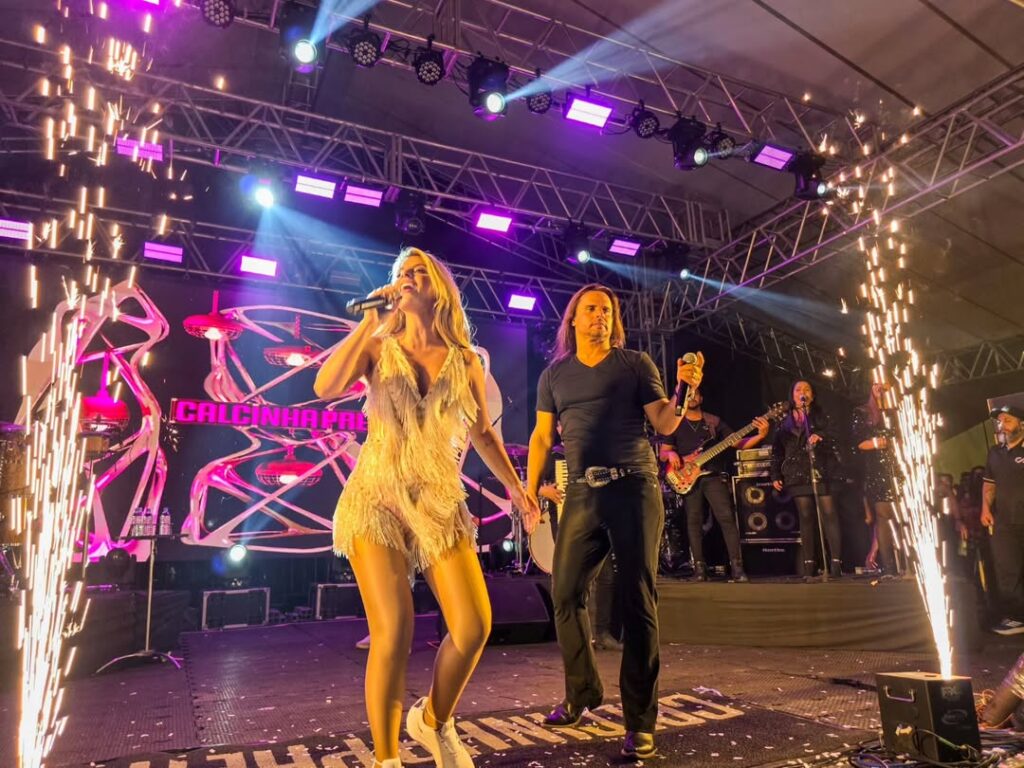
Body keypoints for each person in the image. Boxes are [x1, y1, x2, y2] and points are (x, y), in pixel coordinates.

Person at [314, 247, 541, 768]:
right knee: (393, 630)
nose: (411, 279)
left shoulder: (463, 359)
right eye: (402, 274)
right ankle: (387, 760)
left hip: (437, 497)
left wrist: (517, 489)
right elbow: (325, 387)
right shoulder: (378, 344)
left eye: (422, 272)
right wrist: (372, 320)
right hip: (377, 496)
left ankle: (434, 720)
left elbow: (483, 433)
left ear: (441, 287)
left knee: (474, 626)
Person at [525, 283, 703, 760]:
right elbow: (542, 438)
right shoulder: (554, 375)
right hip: (581, 491)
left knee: (637, 601)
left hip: (634, 487)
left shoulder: (635, 365)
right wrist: (528, 488)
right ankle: (582, 692)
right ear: (574, 320)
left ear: (612, 320)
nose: (600, 315)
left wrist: (684, 388)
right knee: (564, 594)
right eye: (591, 309)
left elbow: (665, 424)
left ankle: (640, 722)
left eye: (607, 309)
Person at [658, 388, 769, 582]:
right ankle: (699, 570)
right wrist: (672, 454)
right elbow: (663, 453)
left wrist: (760, 435)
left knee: (726, 517)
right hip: (688, 478)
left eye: (695, 394)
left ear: (701, 397)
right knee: (693, 521)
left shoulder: (713, 422)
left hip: (713, 476)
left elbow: (737, 443)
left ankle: (737, 568)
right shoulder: (674, 424)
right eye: (688, 394)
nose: (692, 397)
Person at [770, 380, 843, 581]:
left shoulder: (820, 415)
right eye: (799, 389)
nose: (803, 392)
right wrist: (775, 474)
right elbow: (777, 450)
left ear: (813, 394)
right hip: (796, 473)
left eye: (807, 389)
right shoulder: (783, 420)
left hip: (822, 469)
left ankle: (836, 563)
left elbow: (837, 435)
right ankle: (809, 564)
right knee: (805, 516)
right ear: (792, 395)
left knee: (829, 513)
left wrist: (820, 435)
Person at [538, 480, 622, 651]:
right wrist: (542, 490)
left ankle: (602, 633)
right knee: (571, 580)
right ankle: (576, 636)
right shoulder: (553, 454)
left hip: (596, 516)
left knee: (607, 576)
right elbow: (527, 482)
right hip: (565, 520)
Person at [982, 405, 1024, 636]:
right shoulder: (995, 453)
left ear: (1021, 424)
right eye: (999, 422)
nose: (1002, 426)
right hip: (1004, 522)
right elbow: (990, 484)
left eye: (1007, 421)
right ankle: (1018, 617)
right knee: (1007, 570)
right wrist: (985, 508)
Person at [852, 381, 900, 577]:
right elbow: (859, 443)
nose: (881, 387)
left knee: (903, 517)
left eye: (885, 384)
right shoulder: (863, 412)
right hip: (879, 470)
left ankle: (911, 565)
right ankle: (889, 567)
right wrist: (876, 443)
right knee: (883, 516)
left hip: (900, 468)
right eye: (876, 384)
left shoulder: (898, 412)